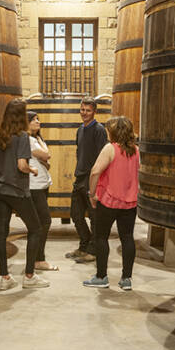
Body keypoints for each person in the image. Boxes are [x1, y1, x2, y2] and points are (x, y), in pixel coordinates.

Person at [0, 98, 50, 290]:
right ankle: (29, 276)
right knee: (36, 229)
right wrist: (32, 171)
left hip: (1, 190)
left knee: (2, 234)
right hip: (18, 191)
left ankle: (5, 278)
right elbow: (22, 165)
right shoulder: (22, 137)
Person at [82, 116, 139, 291]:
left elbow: (95, 171)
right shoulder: (136, 150)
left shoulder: (110, 148)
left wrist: (92, 194)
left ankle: (101, 276)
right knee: (127, 238)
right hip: (130, 202)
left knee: (101, 237)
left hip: (109, 201)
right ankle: (126, 279)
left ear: (114, 131)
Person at [65, 96, 108, 262]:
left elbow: (101, 157)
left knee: (94, 217)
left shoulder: (99, 130)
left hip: (91, 179)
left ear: (94, 112)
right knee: (75, 215)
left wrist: (95, 182)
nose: (84, 113)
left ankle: (93, 251)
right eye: (82, 110)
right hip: (79, 177)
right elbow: (79, 152)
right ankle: (84, 246)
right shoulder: (80, 130)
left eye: (88, 110)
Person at [27, 111, 59, 271]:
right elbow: (47, 155)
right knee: (44, 222)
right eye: (34, 120)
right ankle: (38, 260)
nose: (38, 122)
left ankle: (38, 259)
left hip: (42, 184)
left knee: (41, 222)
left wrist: (44, 157)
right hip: (34, 186)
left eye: (38, 119)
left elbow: (45, 157)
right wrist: (44, 158)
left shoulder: (36, 139)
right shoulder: (29, 140)